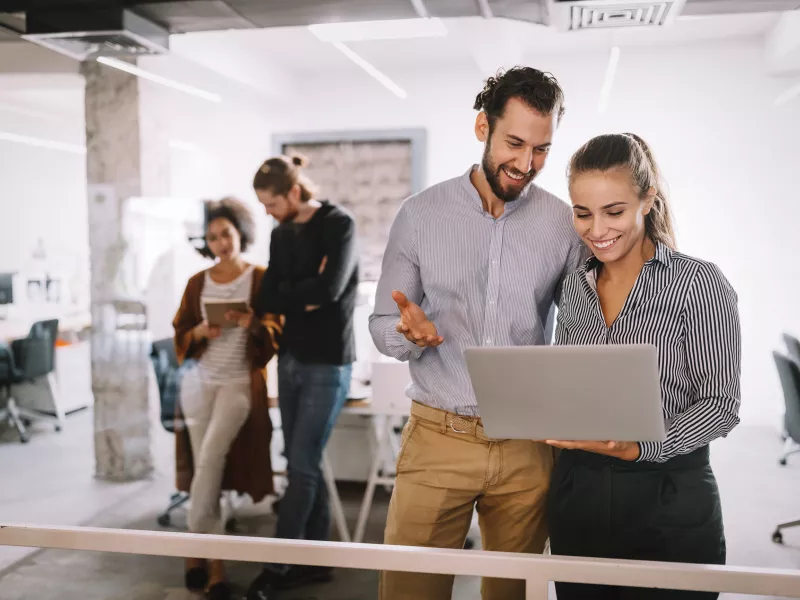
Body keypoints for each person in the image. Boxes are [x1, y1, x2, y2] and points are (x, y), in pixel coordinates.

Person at [368, 66, 587, 600]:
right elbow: (380, 325)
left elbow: (584, 329)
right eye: (515, 143)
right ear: (481, 128)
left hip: (526, 447)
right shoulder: (419, 215)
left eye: (541, 149)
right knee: (408, 591)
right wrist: (409, 335)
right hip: (438, 439)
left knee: (513, 595)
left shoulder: (563, 224)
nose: (525, 164)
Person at [546, 133, 741, 599]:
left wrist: (638, 446)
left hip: (668, 493)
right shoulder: (573, 287)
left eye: (613, 212)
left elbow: (722, 404)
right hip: (581, 492)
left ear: (647, 199)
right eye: (582, 213)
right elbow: (566, 385)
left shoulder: (699, 283)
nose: (596, 230)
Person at [246, 154, 359, 598]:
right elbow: (267, 296)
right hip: (290, 358)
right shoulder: (281, 232)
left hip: (328, 361)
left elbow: (330, 290)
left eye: (271, 203)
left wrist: (296, 294)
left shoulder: (339, 224)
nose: (267, 213)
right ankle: (317, 560)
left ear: (294, 192)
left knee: (301, 464)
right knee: (299, 459)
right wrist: (302, 295)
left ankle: (278, 566)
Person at [172, 198, 282, 600]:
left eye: (227, 234)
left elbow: (274, 333)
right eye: (213, 237)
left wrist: (251, 322)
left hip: (238, 383)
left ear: (241, 235)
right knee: (208, 470)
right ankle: (214, 565)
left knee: (210, 459)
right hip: (199, 382)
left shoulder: (260, 278)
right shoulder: (197, 282)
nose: (220, 243)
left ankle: (192, 551)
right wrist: (200, 333)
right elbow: (180, 333)